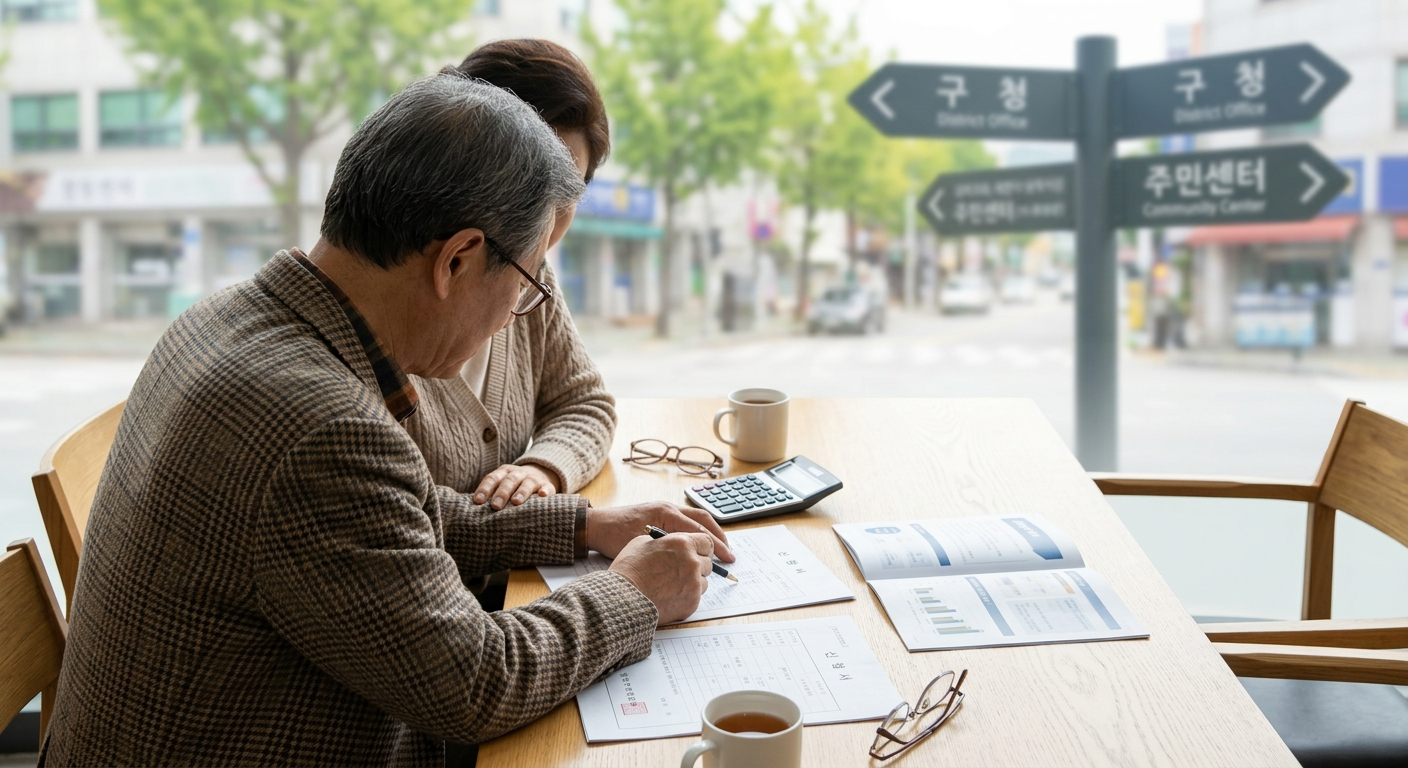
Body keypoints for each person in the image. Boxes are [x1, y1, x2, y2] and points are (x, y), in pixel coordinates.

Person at [41, 73, 732, 767]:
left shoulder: (223, 320)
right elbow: (475, 684)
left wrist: (581, 524)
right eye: (526, 285)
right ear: (457, 260)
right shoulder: (322, 430)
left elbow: (395, 519)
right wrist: (633, 594)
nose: (516, 317)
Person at [403, 40, 615, 518]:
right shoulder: (395, 303)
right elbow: (395, 512)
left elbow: (584, 402)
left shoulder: (530, 272)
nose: (543, 212)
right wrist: (565, 524)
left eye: (568, 188)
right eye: (532, 182)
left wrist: (543, 470)